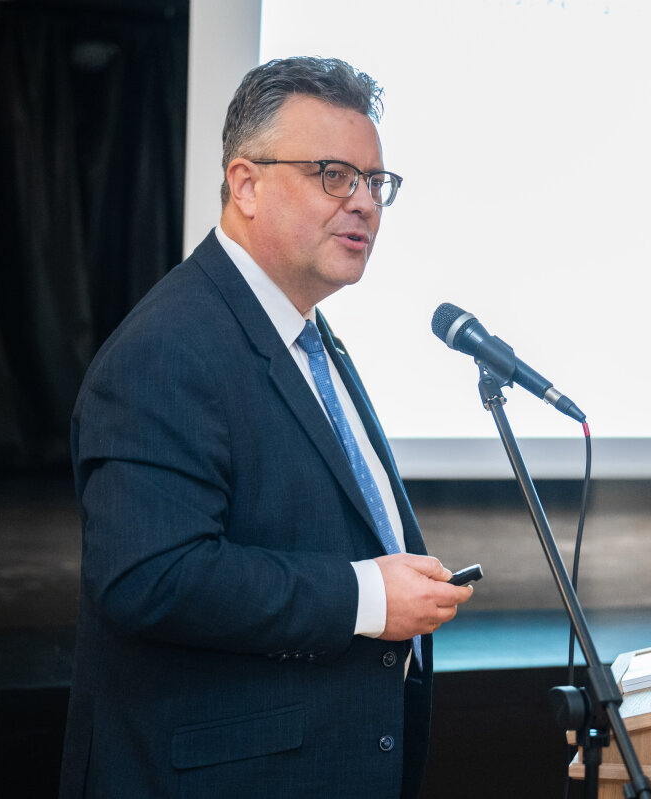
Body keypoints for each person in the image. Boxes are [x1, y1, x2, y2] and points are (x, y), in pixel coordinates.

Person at [58, 56, 474, 798]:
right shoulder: (167, 347)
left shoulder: (306, 334)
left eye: (374, 182)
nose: (364, 203)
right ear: (246, 185)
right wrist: (364, 597)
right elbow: (150, 577)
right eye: (333, 175)